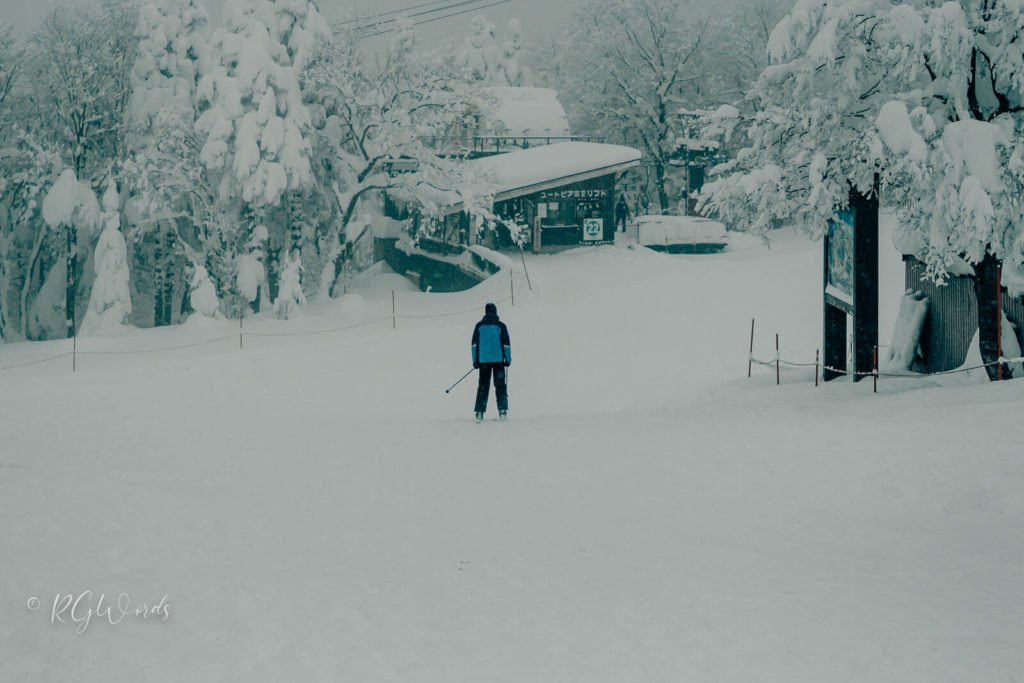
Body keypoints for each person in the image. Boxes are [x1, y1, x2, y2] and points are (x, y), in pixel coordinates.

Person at [471, 302, 511, 421]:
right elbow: (506, 345)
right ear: (495, 311)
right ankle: (502, 411)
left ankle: (479, 412)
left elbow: (474, 345)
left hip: (483, 362)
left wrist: (475, 360)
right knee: (500, 386)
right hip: (498, 361)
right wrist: (507, 359)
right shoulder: (501, 326)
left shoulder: (479, 326)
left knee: (483, 386)